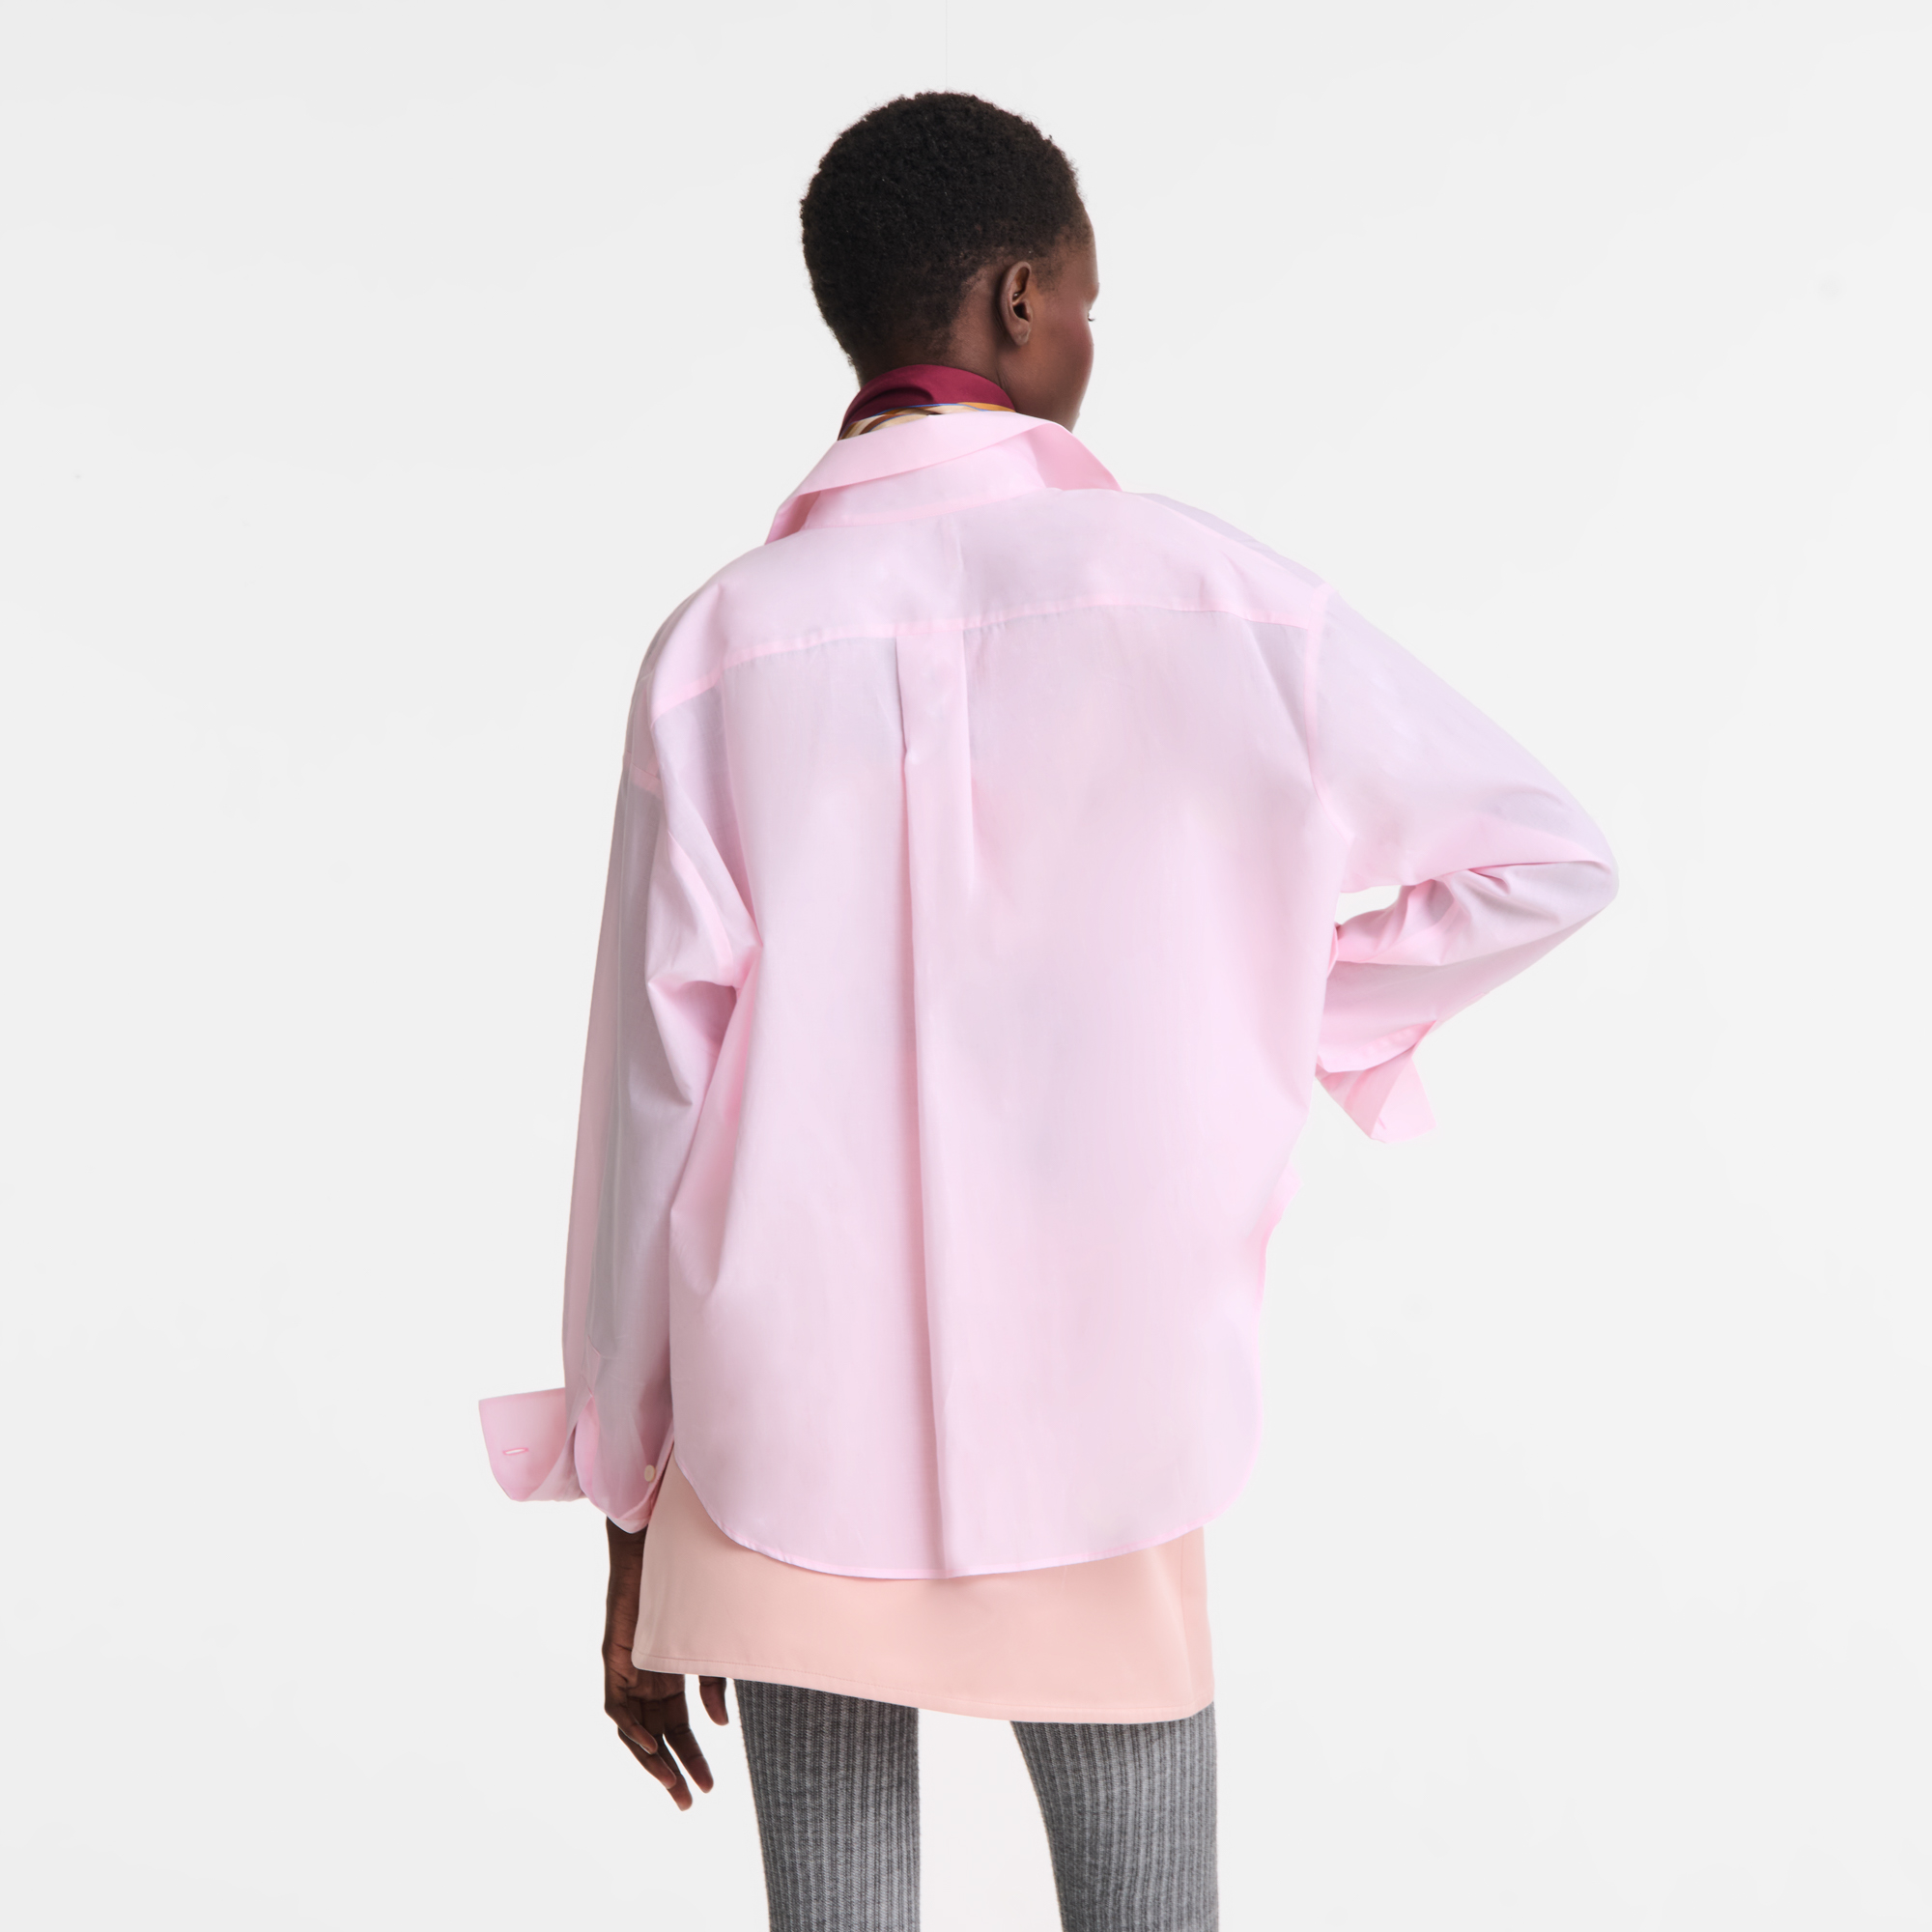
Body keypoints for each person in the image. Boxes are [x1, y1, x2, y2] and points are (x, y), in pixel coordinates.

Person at [480, 91, 1616, 1932]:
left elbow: (647, 1105)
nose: (1093, 334)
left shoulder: (721, 647)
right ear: (1020, 299)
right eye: (1087, 298)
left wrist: (625, 1498)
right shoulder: (1212, 596)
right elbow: (1546, 858)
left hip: (782, 1436)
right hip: (1114, 1416)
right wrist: (1272, 1006)